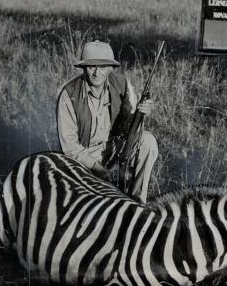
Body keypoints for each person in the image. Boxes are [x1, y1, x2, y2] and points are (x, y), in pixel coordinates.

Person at [57, 40, 158, 203]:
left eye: (103, 67)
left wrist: (141, 112)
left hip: (114, 146)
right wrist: (97, 167)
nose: (97, 73)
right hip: (85, 155)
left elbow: (130, 126)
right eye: (91, 67)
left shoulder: (122, 84)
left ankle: (138, 202)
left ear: (110, 68)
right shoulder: (69, 95)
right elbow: (70, 148)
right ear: (83, 68)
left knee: (148, 141)